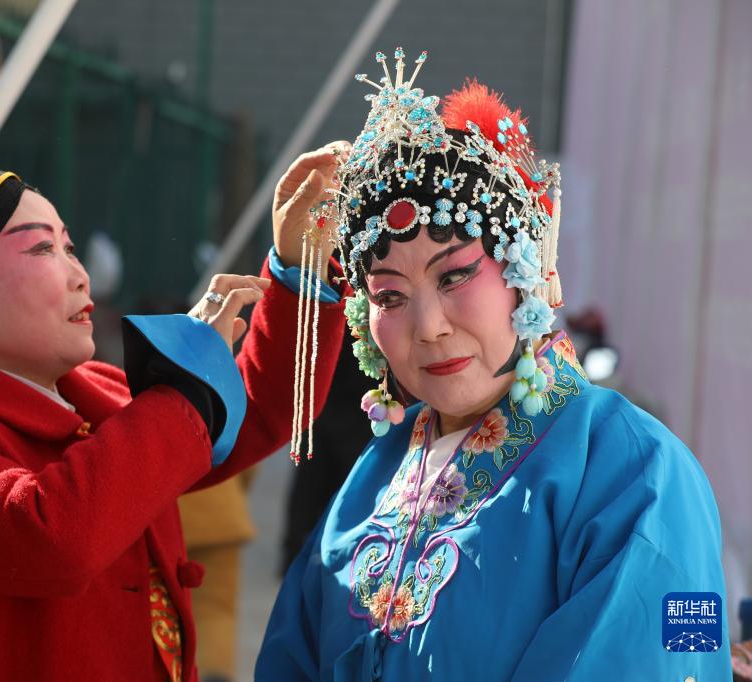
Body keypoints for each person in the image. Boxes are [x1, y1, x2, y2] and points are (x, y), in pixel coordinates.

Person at [0, 141, 349, 681]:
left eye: (69, 247)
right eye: (41, 250)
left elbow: (253, 413)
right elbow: (54, 537)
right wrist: (185, 383)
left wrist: (299, 265)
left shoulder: (96, 394)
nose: (80, 275)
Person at [256, 49, 732, 679]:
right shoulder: (372, 483)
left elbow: (673, 645)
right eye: (390, 296)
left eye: (454, 275)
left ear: (524, 274)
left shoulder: (638, 471)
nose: (428, 326)